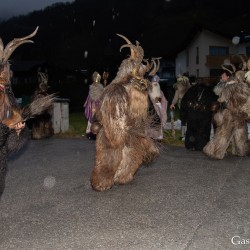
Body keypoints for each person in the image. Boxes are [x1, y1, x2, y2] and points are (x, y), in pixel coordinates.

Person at [181, 79, 218, 151]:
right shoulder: (209, 91)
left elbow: (184, 103)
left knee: (195, 130)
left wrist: (184, 115)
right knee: (201, 131)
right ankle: (199, 146)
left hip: (194, 115)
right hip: (201, 115)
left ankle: (192, 145)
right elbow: (213, 104)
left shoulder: (191, 90)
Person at [83, 71, 104, 140]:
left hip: (99, 107)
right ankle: (90, 134)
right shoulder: (91, 88)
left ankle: (99, 134)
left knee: (99, 120)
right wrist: (87, 104)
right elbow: (89, 98)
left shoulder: (101, 89)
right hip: (91, 107)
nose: (96, 82)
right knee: (90, 121)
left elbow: (103, 98)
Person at [146, 74, 168, 140]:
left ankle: (156, 135)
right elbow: (157, 98)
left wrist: (160, 107)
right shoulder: (154, 86)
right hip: (153, 108)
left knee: (155, 121)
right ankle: (157, 135)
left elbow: (157, 98)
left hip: (154, 107)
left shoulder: (154, 86)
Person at [170, 74, 191, 140]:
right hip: (183, 106)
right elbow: (176, 98)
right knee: (184, 120)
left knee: (187, 120)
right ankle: (183, 135)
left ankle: (186, 134)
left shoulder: (189, 87)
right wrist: (173, 103)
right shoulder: (179, 88)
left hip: (188, 106)